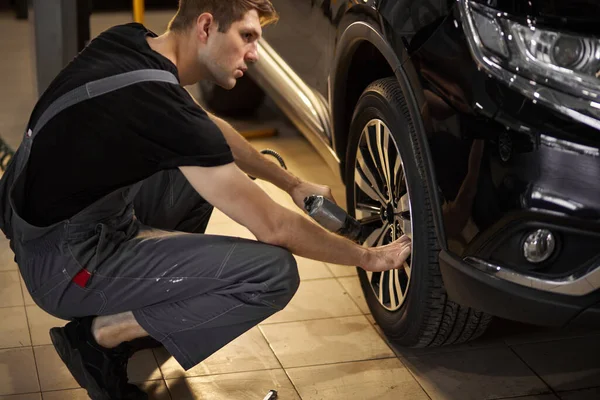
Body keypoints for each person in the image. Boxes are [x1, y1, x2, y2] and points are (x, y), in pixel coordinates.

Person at [0, 0, 411, 398]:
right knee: (272, 274)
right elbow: (275, 227)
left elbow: (205, 126)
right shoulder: (158, 105)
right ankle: (101, 336)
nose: (254, 55)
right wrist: (368, 258)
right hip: (65, 263)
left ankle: (145, 301)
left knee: (219, 162)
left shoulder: (129, 41)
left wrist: (290, 183)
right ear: (206, 27)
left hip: (43, 223)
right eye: (247, 36)